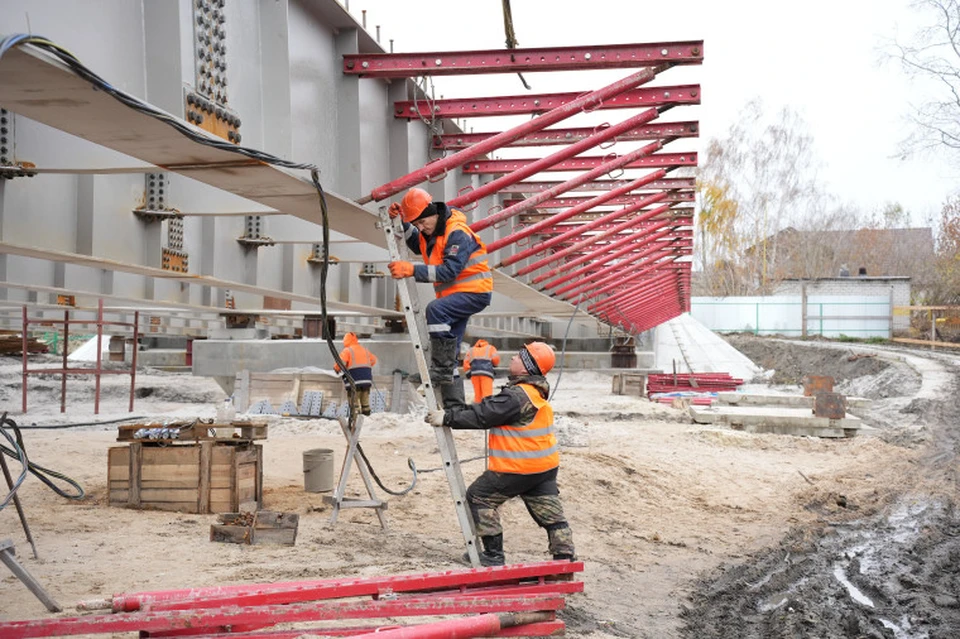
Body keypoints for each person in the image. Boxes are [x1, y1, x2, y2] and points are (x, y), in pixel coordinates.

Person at [425, 342, 575, 567]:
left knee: (479, 496)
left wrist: (447, 418)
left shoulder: (517, 396)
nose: (513, 357)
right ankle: (565, 558)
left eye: (518, 356)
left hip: (519, 467)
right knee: (550, 514)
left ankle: (493, 555)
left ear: (526, 367)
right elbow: (487, 409)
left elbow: (484, 415)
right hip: (544, 467)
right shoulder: (534, 393)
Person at [388, 187, 493, 409]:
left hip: (474, 291)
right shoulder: (432, 234)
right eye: (417, 225)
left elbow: (449, 271)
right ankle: (454, 408)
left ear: (433, 212)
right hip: (458, 295)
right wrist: (402, 222)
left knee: (435, 310)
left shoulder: (456, 232)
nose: (421, 228)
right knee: (451, 354)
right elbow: (416, 243)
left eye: (422, 222)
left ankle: (441, 369)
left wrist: (411, 270)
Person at [333, 332, 377, 416]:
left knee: (354, 401)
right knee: (365, 401)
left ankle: (355, 420)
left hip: (354, 380)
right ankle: (366, 416)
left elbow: (340, 362)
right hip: (367, 380)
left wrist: (336, 369)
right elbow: (374, 360)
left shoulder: (347, 350)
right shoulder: (364, 350)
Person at [464, 338, 500, 403]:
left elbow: (466, 363)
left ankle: (478, 409)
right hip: (487, 373)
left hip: (475, 373)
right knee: (487, 395)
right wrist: (494, 365)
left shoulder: (471, 350)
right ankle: (487, 409)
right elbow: (496, 359)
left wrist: (468, 373)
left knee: (477, 395)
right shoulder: (490, 348)